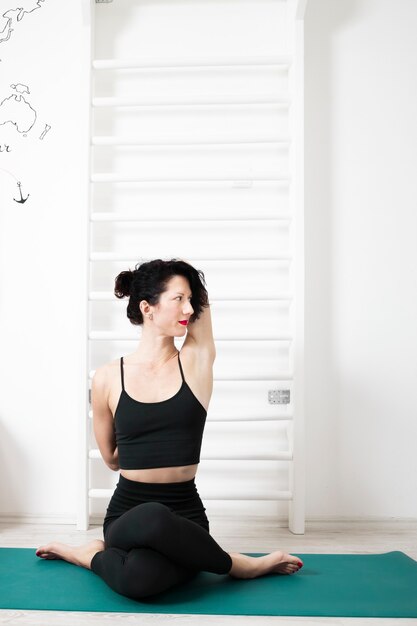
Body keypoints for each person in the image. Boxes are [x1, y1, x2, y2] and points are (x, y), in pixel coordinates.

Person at [36, 258, 303, 600]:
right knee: (152, 517)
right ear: (147, 307)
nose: (189, 308)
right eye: (178, 299)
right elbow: (112, 459)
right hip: (128, 517)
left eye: (190, 299)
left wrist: (185, 277)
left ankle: (90, 554)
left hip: (185, 513)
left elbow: (201, 307)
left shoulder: (195, 362)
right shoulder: (106, 378)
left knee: (139, 582)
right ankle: (236, 565)